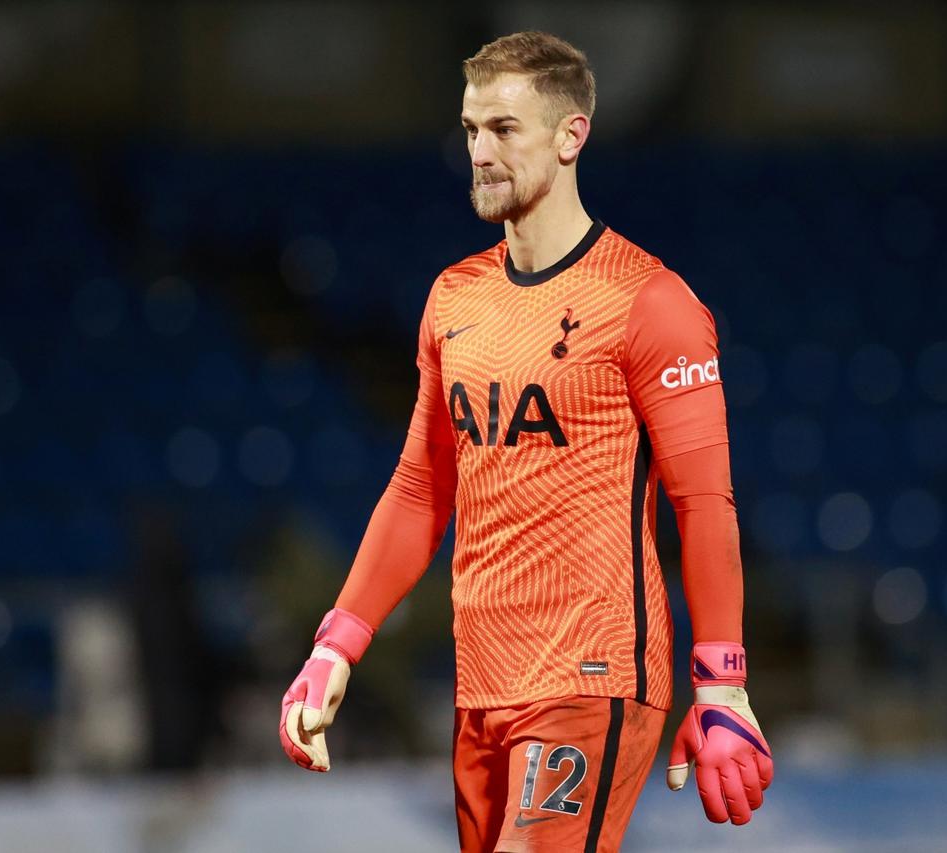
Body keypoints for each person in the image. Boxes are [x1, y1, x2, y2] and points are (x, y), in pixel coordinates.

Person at [279, 31, 773, 852]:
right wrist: (338, 641)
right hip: (483, 686)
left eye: (504, 129)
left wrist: (721, 683)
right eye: (471, 129)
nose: (479, 151)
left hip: (593, 674)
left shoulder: (651, 303)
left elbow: (704, 501)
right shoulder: (453, 298)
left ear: (571, 135)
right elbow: (420, 489)